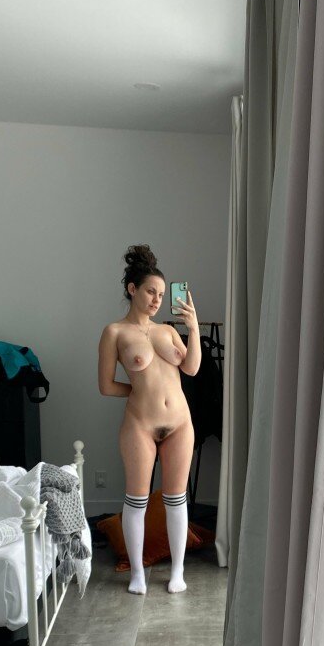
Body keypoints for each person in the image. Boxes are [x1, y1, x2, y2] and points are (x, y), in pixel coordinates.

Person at [98, 245, 201, 594]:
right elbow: (106, 386)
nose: (157, 300)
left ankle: (178, 572)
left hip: (180, 424)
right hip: (140, 425)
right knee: (137, 499)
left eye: (161, 294)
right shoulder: (115, 332)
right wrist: (141, 392)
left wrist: (193, 327)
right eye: (150, 292)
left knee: (176, 497)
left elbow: (191, 368)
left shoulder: (168, 331)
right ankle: (137, 574)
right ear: (133, 289)